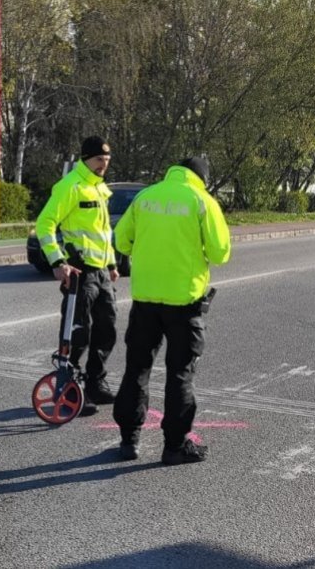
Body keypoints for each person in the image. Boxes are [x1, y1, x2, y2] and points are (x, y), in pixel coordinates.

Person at [113, 156, 231, 465]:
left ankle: (129, 441)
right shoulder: (202, 201)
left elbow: (122, 241)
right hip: (184, 303)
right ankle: (174, 447)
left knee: (136, 370)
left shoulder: (145, 196)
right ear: (201, 178)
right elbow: (220, 253)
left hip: (145, 300)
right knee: (180, 375)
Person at [35, 136, 119, 406]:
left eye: (107, 160)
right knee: (78, 332)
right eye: (99, 159)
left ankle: (95, 384)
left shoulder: (98, 187)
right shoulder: (71, 186)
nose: (103, 165)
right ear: (86, 159)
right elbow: (45, 224)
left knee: (107, 329)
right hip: (79, 271)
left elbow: (102, 233)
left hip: (101, 272)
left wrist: (112, 264)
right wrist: (58, 262)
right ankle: (67, 388)